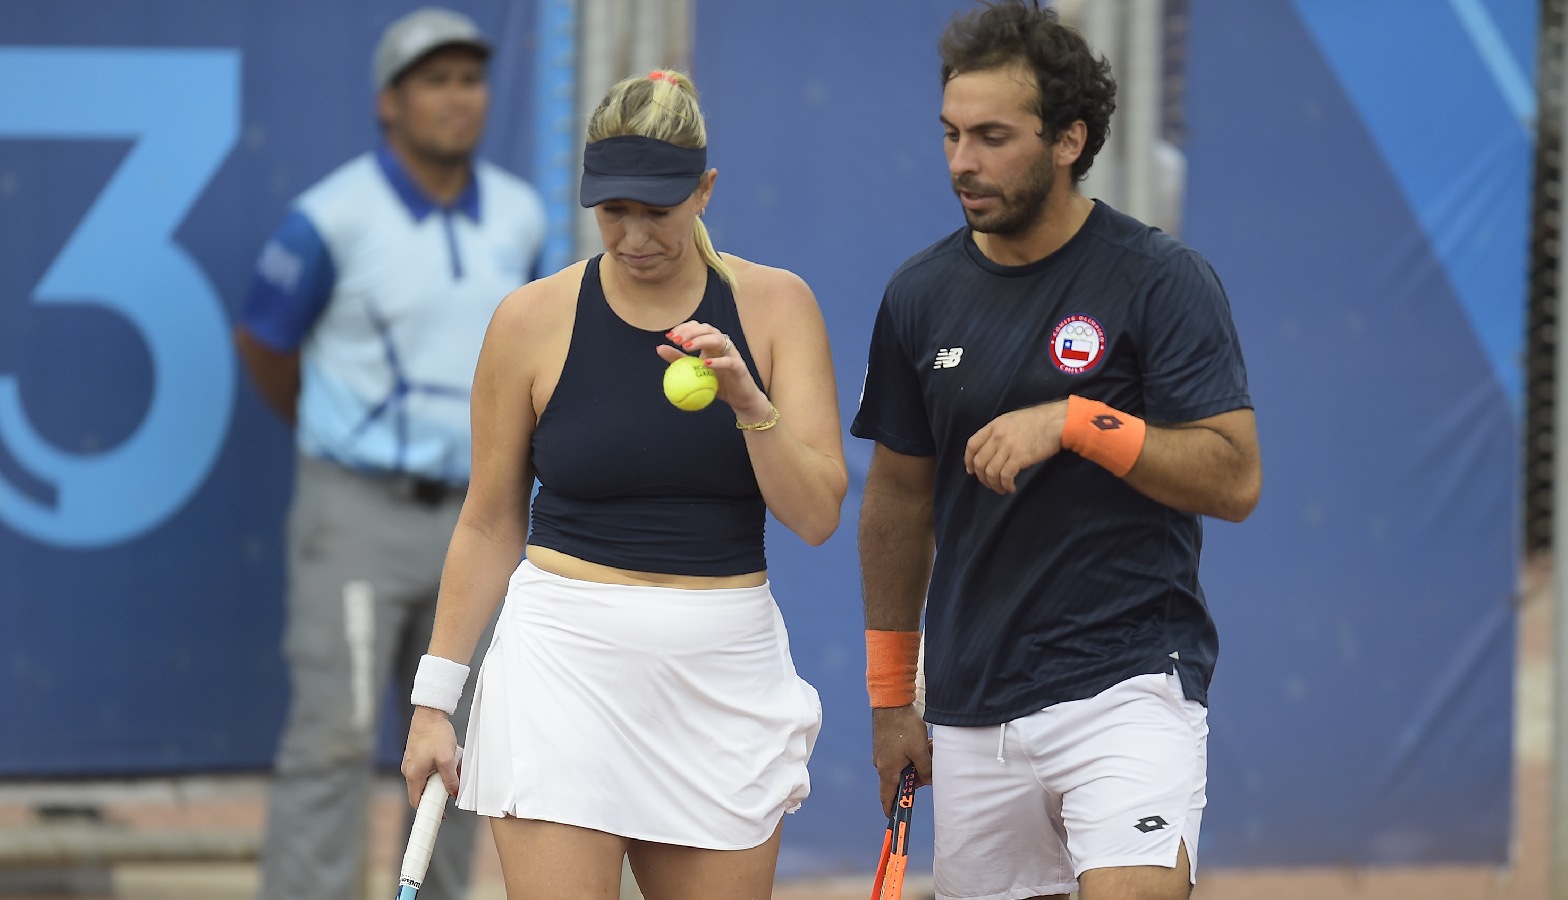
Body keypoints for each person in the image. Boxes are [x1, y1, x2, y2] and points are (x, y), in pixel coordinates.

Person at [398, 68, 846, 900]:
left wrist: (750, 401)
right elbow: (490, 522)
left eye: (659, 211)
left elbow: (817, 515)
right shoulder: (528, 319)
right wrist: (435, 703)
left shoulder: (779, 308)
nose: (635, 235)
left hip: (723, 673)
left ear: (705, 191)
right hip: (562, 668)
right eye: (614, 212)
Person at [852, 3, 1262, 899]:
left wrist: (1079, 422)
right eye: (953, 134)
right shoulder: (918, 295)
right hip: (969, 703)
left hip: (1126, 685)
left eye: (994, 136)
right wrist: (892, 702)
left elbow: (1234, 477)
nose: (964, 161)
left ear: (1069, 139)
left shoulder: (1160, 279)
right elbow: (894, 503)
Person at [234, 8, 546, 899]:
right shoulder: (329, 219)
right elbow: (265, 342)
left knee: (463, 750)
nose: (459, 98)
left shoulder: (521, 217)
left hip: (478, 518)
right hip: (357, 514)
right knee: (331, 740)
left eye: (471, 79)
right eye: (435, 81)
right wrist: (341, 441)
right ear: (389, 103)